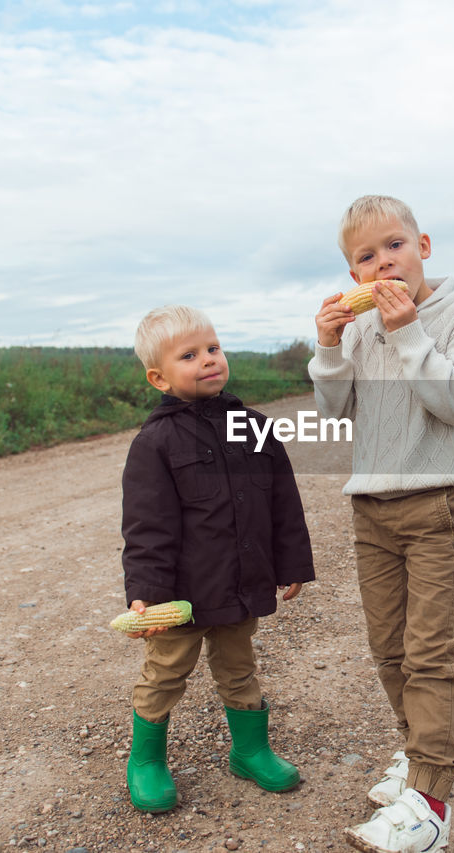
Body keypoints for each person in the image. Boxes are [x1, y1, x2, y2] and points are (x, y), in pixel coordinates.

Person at [309, 195, 454, 853]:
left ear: (425, 246)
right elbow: (332, 408)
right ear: (354, 273)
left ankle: (431, 801)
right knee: (388, 648)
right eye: (366, 255)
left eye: (395, 245)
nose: (384, 261)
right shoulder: (358, 328)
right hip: (371, 506)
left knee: (428, 649)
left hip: (437, 500)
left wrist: (410, 331)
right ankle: (416, 751)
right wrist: (328, 345)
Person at [119, 305, 315, 813]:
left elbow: (282, 503)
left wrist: (291, 562)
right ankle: (146, 760)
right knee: (165, 674)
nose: (208, 359)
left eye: (213, 348)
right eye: (190, 355)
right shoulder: (155, 443)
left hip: (240, 583)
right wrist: (147, 594)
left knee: (240, 668)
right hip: (181, 596)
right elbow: (147, 528)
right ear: (159, 377)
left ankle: (250, 750)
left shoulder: (254, 427)